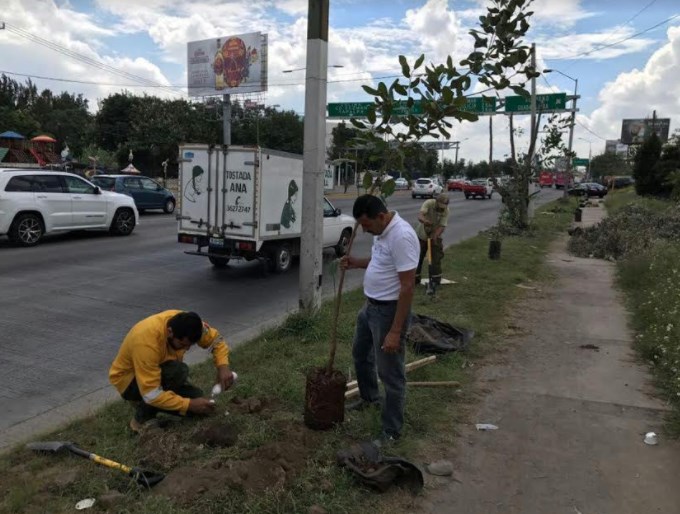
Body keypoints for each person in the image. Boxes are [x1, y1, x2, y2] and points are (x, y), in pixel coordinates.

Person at [340, 194, 419, 443]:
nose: (364, 230)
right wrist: (356, 263)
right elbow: (380, 261)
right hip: (370, 307)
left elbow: (407, 287)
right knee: (360, 354)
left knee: (390, 373)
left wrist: (395, 331)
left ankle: (391, 431)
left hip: (388, 312)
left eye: (367, 225)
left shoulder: (402, 236)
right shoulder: (383, 232)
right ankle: (369, 398)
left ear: (381, 217)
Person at [109, 310, 234, 433]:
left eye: (190, 345)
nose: (186, 348)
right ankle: (141, 420)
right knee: (177, 372)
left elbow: (216, 340)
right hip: (130, 381)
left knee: (200, 403)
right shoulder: (146, 342)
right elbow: (151, 394)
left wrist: (223, 367)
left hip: (160, 372)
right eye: (182, 344)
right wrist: (188, 404)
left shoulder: (188, 323)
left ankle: (158, 401)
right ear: (169, 332)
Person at [415, 193, 449, 292]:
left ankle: (435, 280)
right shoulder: (429, 203)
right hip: (422, 234)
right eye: (440, 207)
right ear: (436, 202)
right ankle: (415, 278)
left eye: (443, 207)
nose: (441, 210)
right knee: (418, 257)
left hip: (434, 234)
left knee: (435, 257)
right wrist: (425, 221)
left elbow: (442, 226)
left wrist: (435, 236)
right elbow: (420, 215)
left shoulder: (446, 211)